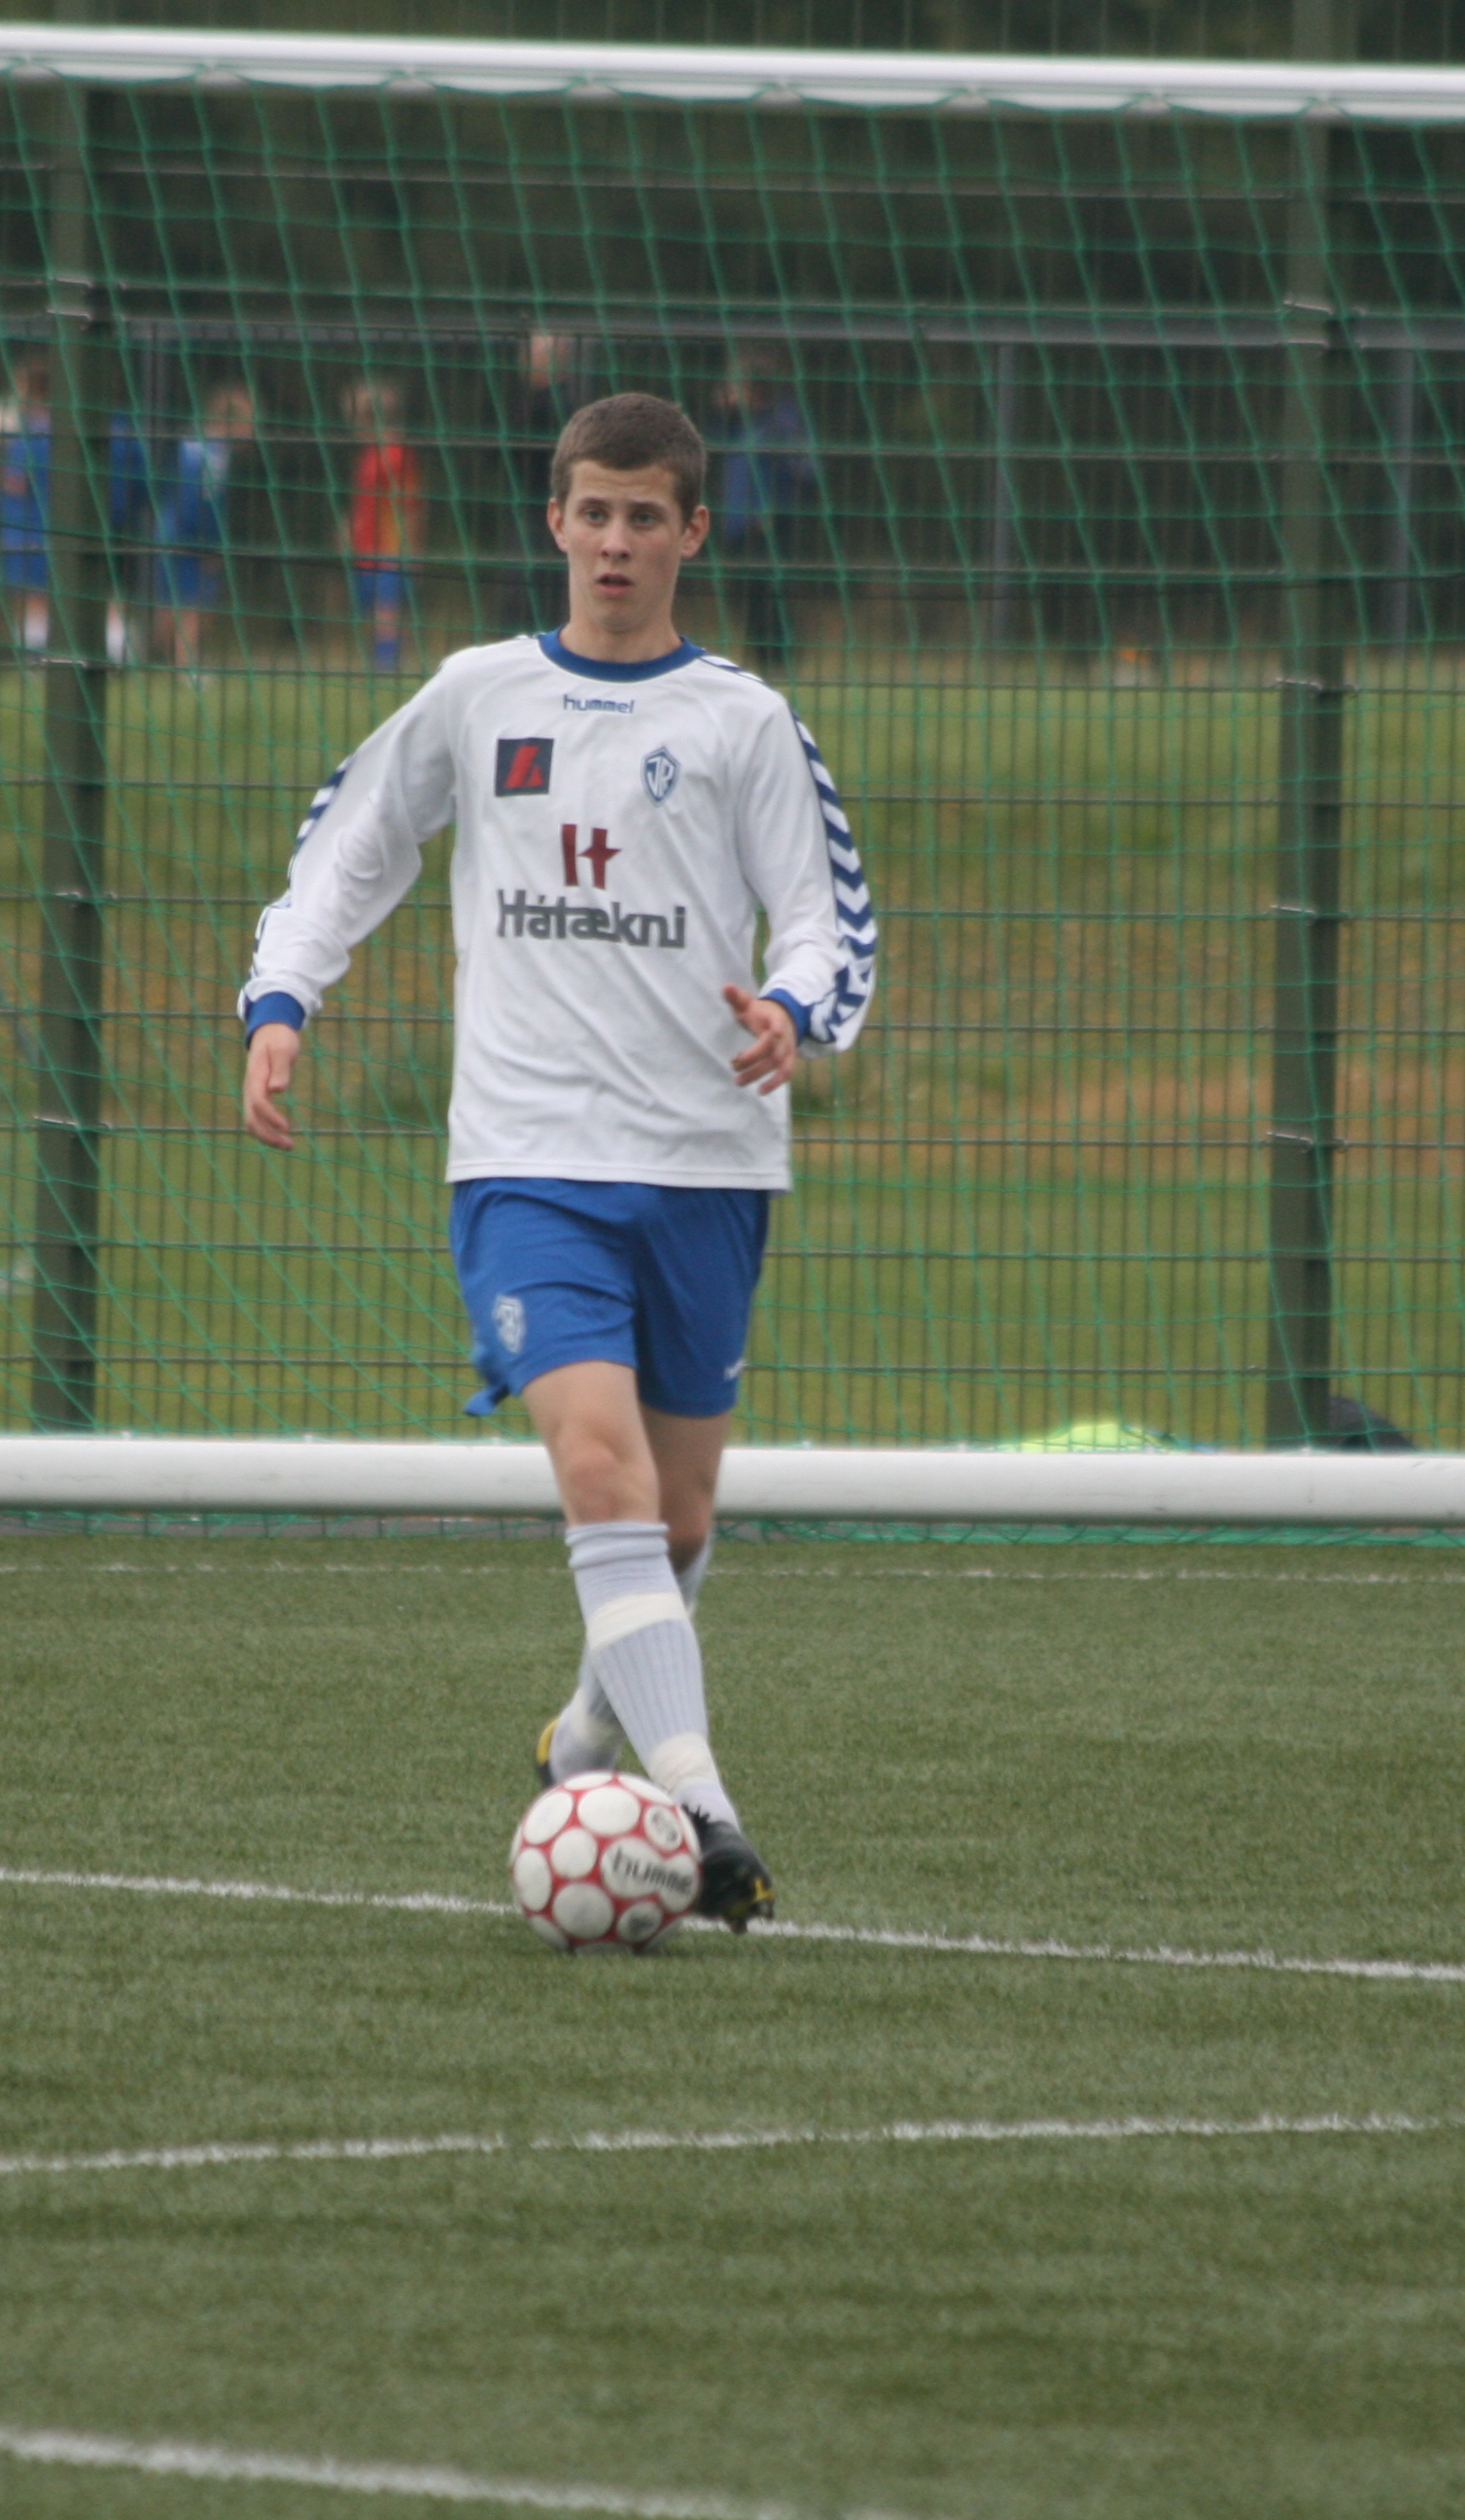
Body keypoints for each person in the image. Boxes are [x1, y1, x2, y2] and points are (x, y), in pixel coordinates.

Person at [236, 391, 880, 1933]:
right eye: (593, 512)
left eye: (645, 516)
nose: (615, 542)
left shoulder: (742, 720)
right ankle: (704, 1812)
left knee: (678, 1519)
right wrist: (282, 997)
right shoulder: (479, 693)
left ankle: (586, 1740)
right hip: (527, 1161)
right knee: (599, 1465)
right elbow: (354, 842)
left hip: (708, 1162)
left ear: (692, 533)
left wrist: (793, 1009)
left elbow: (826, 917)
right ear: (555, 521)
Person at [704, 348, 820, 671]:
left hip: (768, 522)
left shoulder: (782, 421)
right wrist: (723, 412)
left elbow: (806, 472)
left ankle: (778, 659)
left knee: (770, 590)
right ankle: (761, 657)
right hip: (738, 523)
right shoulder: (738, 424)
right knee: (746, 591)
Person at [153, 382, 256, 673]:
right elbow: (202, 501)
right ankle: (186, 666)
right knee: (196, 605)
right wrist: (209, 544)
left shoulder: (191, 441)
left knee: (172, 603)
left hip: (169, 529)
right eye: (247, 424)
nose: (250, 433)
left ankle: (162, 657)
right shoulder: (214, 455)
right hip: (189, 536)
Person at [490, 331, 576, 637]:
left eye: (532, 355)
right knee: (525, 585)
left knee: (538, 586)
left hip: (547, 511)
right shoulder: (526, 401)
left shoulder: (559, 405)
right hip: (529, 509)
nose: (523, 362)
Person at [341, 374, 423, 673]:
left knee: (386, 610)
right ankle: (384, 664)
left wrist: (409, 547)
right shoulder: (369, 453)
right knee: (373, 611)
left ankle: (387, 666)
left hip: (388, 547)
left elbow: (409, 505)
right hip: (365, 546)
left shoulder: (395, 453)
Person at [0, 358, 56, 661]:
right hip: (49, 523)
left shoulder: (33, 431)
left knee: (31, 595)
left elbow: (19, 482)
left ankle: (35, 657)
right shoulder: (58, 427)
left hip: (27, 524)